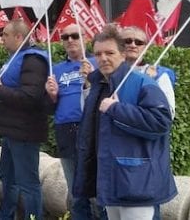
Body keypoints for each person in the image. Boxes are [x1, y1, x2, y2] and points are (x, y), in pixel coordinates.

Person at [74, 25, 176, 220]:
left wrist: (116, 109)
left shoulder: (142, 83)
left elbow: (161, 122)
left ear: (122, 54)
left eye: (109, 52)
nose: (103, 58)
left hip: (136, 182)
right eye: (98, 53)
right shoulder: (98, 84)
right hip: (111, 180)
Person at [0, 20, 50, 220]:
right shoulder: (16, 58)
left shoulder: (33, 60)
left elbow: (30, 97)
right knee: (8, 176)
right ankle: (6, 215)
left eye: (5, 34)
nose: (1, 39)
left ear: (18, 37)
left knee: (28, 182)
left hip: (24, 131)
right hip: (12, 130)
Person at [46, 24, 96, 220]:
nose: (69, 40)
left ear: (86, 37)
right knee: (75, 188)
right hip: (65, 130)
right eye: (64, 37)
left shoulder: (96, 62)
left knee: (96, 189)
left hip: (90, 128)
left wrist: (92, 76)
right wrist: (51, 95)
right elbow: (49, 107)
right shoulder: (56, 69)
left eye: (75, 36)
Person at [122, 26, 177, 119]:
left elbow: (168, 114)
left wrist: (151, 83)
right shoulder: (108, 72)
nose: (133, 45)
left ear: (145, 48)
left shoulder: (159, 75)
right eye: (127, 41)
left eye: (139, 42)